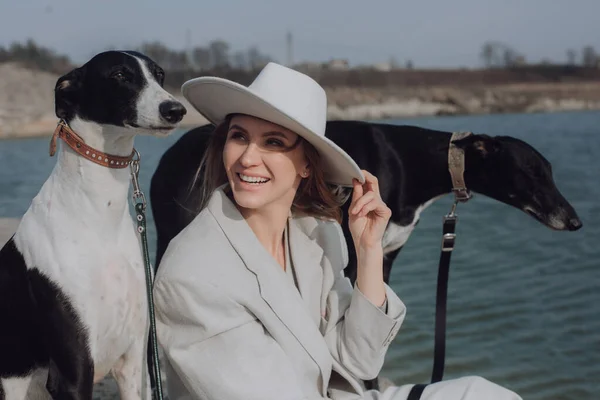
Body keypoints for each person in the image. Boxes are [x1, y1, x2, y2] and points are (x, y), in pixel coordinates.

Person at [152, 62, 522, 400]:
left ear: (307, 166)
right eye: (239, 136)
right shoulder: (191, 277)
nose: (248, 157)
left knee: (485, 394)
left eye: (274, 142)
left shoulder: (317, 234)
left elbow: (359, 361)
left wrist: (369, 251)